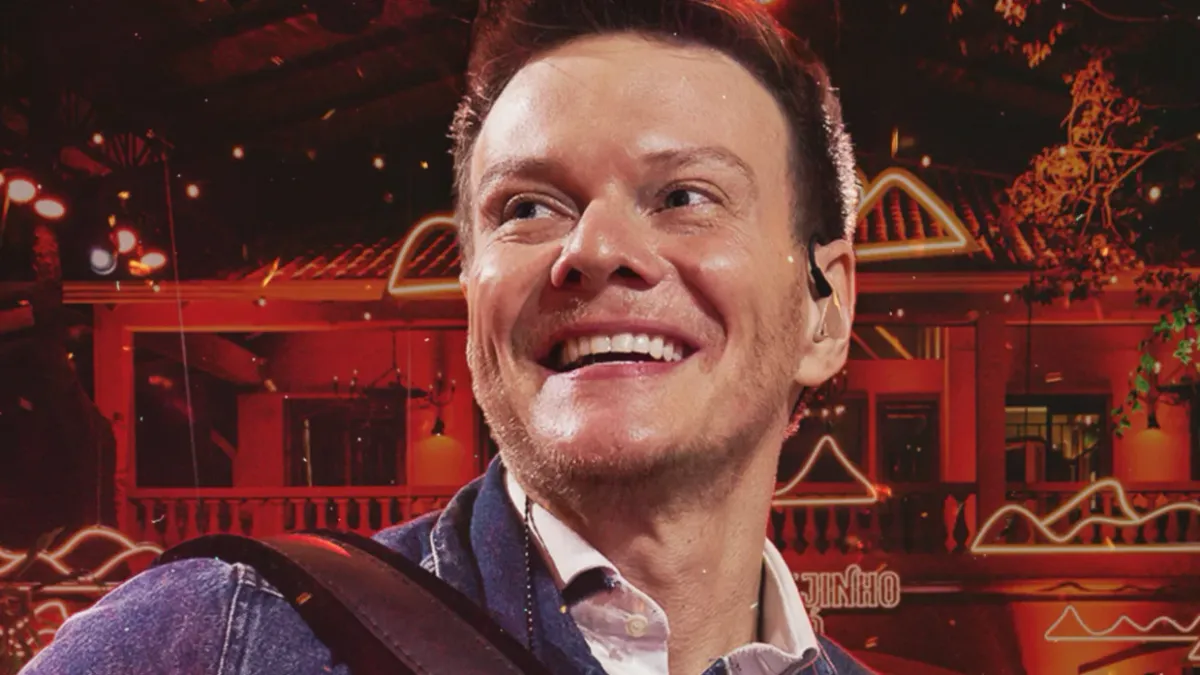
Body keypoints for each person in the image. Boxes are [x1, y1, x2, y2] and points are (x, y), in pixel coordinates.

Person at [21, 0, 868, 673]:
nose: (593, 248)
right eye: (528, 207)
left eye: (685, 196)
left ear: (824, 310)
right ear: (472, 301)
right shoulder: (205, 640)